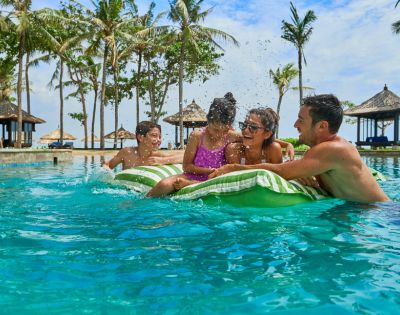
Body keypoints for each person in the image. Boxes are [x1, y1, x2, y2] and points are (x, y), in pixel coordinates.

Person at [210, 94, 389, 203]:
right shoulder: (322, 152)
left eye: (301, 120)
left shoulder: (334, 149)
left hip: (383, 214)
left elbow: (281, 171)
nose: (295, 124)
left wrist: (233, 168)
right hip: (361, 211)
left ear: (322, 126)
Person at [147, 92, 241, 197]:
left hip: (217, 180)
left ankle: (190, 185)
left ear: (229, 127)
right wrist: (208, 171)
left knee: (215, 183)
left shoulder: (232, 136)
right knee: (164, 184)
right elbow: (186, 166)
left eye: (222, 131)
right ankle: (143, 204)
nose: (218, 134)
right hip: (192, 176)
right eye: (215, 129)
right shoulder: (197, 136)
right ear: (208, 120)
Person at [104, 121, 183, 170]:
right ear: (140, 137)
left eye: (160, 137)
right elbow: (108, 165)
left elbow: (184, 157)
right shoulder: (127, 153)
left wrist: (162, 161)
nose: (159, 140)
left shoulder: (158, 156)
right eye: (154, 136)